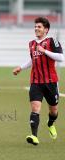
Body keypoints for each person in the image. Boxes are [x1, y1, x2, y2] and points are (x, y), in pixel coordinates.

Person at [13, 17, 64, 145]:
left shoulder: (52, 41)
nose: (36, 29)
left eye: (39, 27)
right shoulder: (32, 44)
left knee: (54, 111)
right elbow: (32, 60)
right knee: (35, 108)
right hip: (36, 82)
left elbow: (61, 58)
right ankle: (34, 136)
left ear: (46, 29)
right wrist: (21, 67)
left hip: (51, 82)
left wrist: (45, 51)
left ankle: (50, 123)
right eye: (35, 27)